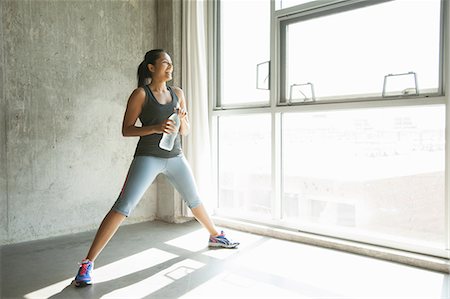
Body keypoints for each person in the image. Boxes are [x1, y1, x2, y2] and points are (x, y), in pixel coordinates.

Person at [72, 49, 239, 287]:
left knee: (195, 199)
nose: (170, 67)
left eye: (171, 64)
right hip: (148, 157)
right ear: (151, 67)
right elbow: (127, 129)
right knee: (123, 207)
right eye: (165, 63)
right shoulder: (141, 94)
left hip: (175, 156)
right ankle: (87, 263)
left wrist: (182, 118)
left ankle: (215, 235)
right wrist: (155, 127)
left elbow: (185, 131)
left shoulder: (178, 93)